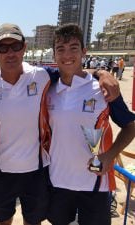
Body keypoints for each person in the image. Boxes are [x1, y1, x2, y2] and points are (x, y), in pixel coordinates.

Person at [0, 23, 120, 225]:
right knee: (3, 222)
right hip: (0, 171)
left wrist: (101, 74)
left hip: (37, 171)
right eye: (3, 48)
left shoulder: (42, 76)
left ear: (24, 48)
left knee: (33, 222)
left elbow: (72, 69)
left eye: (15, 46)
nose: (10, 53)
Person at [46, 24, 135, 225]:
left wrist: (109, 155)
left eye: (73, 48)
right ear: (54, 54)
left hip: (95, 183)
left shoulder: (103, 88)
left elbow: (130, 125)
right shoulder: (48, 87)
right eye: (61, 49)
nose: (67, 54)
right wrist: (100, 71)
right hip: (57, 182)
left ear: (84, 52)